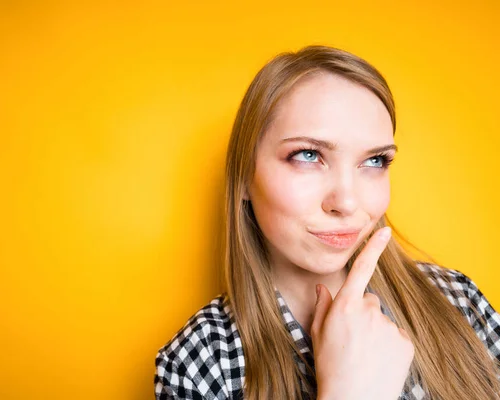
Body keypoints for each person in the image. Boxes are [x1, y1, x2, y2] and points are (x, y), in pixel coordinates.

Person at [153, 45, 500, 400]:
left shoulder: (458, 300)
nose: (347, 203)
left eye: (376, 160)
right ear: (244, 176)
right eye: (308, 155)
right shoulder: (199, 363)